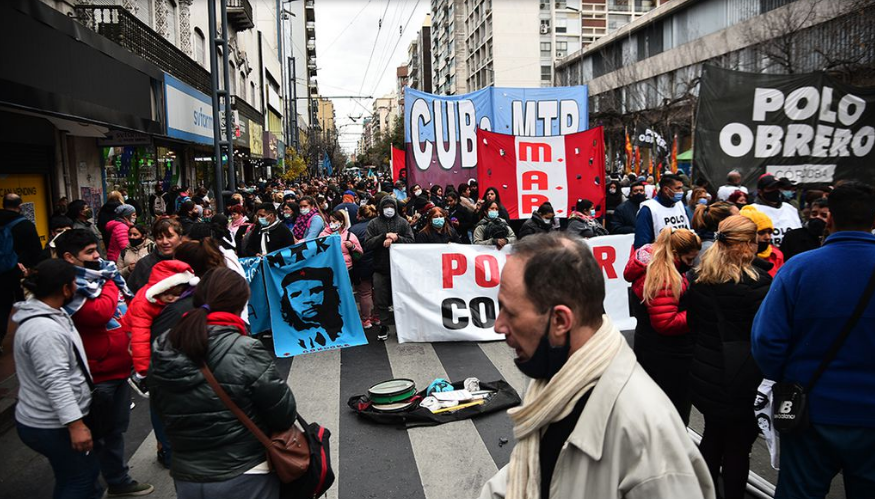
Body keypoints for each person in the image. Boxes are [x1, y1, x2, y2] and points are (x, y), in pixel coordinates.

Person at [478, 232, 714, 499]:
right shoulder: (560, 378)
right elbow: (533, 472)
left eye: (510, 311)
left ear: (560, 321)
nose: (499, 326)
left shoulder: (648, 446)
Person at [752, 180, 875, 499]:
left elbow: (766, 341)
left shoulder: (799, 269)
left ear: (829, 219)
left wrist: (789, 378)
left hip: (812, 411)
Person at [149, 268, 296, 499]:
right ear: (239, 306)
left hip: (187, 476)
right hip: (245, 473)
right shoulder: (245, 349)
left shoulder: (163, 346)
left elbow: (159, 407)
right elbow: (284, 414)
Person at [54, 229, 153, 497]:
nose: (98, 256)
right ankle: (90, 487)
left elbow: (124, 307)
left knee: (115, 431)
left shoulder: (98, 277)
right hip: (96, 376)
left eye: (97, 249)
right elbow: (98, 313)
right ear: (68, 258)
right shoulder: (70, 285)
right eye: (89, 253)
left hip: (119, 368)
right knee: (95, 436)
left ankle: (119, 480)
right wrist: (110, 280)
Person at [686, 216, 771, 499]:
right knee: (737, 447)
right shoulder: (757, 283)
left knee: (712, 436)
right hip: (742, 377)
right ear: (748, 244)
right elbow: (766, 335)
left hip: (705, 370)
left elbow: (694, 325)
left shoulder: (698, 277)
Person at [13, 259, 102, 498]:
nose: (77, 286)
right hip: (51, 424)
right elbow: (56, 382)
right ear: (65, 289)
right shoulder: (44, 331)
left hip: (54, 421)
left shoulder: (52, 313)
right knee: (79, 480)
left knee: (81, 475)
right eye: (74, 282)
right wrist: (76, 425)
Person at [624, 227, 701, 424]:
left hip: (651, 348)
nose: (691, 264)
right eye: (688, 259)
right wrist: (697, 314)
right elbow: (665, 323)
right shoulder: (664, 278)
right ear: (674, 254)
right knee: (672, 414)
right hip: (669, 355)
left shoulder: (655, 263)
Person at [124, 260, 199, 398]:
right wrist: (143, 370)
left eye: (176, 294)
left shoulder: (162, 299)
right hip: (133, 328)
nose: (171, 298)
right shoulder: (144, 304)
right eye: (166, 294)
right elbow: (140, 339)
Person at [364, 196, 415, 341]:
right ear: (380, 208)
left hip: (400, 269)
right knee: (381, 299)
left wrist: (397, 238)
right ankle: (384, 325)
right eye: (386, 207)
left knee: (402, 298)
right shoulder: (373, 224)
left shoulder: (403, 223)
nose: (389, 210)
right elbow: (367, 244)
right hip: (380, 268)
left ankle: (402, 325)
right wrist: (383, 237)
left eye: (391, 207)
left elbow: (412, 241)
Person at [1, 193, 43, 354]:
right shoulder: (25, 225)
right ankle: (30, 337)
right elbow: (35, 251)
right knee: (27, 304)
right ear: (20, 206)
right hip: (20, 271)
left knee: (2, 305)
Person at [128, 218, 184, 294]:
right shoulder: (144, 264)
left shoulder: (189, 260)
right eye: (159, 238)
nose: (165, 242)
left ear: (180, 238)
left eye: (169, 237)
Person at [634, 174, 691, 249]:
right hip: (660, 257)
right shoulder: (648, 209)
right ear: (666, 189)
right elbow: (642, 244)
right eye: (678, 188)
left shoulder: (680, 205)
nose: (681, 192)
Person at [751, 174, 801, 247]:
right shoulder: (752, 210)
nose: (776, 190)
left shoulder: (790, 208)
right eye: (771, 188)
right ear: (760, 191)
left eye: (778, 187)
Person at [349, 205, 377, 330]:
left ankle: (366, 319)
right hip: (378, 263)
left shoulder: (353, 229)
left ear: (360, 215)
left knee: (365, 293)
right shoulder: (378, 226)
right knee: (377, 291)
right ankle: (377, 316)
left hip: (361, 264)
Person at [740, 206, 784, 278]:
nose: (768, 237)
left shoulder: (776, 255)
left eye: (769, 232)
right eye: (761, 232)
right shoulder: (735, 257)